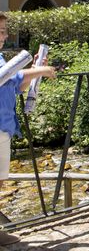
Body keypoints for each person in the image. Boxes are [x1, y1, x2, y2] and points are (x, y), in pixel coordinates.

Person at [0, 12, 56, 245]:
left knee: (0, 179)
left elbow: (14, 86)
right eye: (0, 31)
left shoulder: (1, 57)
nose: (3, 35)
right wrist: (40, 71)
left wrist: (34, 68)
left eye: (4, 31)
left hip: (3, 125)